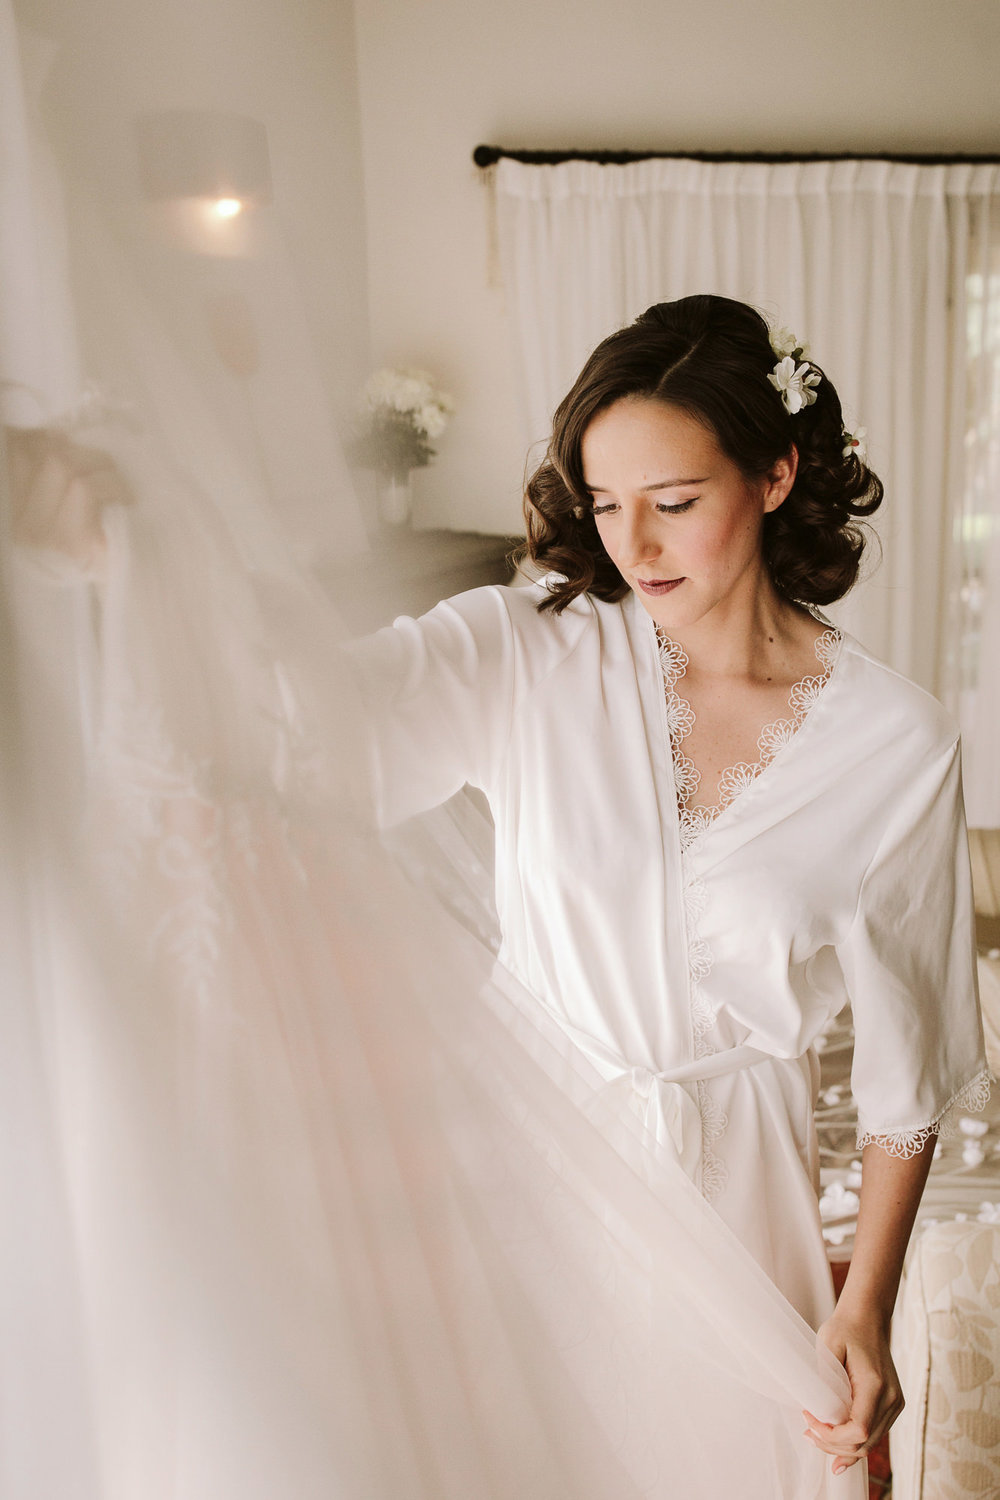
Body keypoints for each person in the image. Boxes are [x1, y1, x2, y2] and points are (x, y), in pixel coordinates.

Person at [348, 293, 991, 1488]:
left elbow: (911, 1072)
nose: (632, 548)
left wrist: (864, 1304)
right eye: (604, 506)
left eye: (674, 504)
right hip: (530, 1163)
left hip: (742, 1191)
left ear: (774, 472)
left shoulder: (896, 741)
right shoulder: (529, 651)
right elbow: (310, 725)